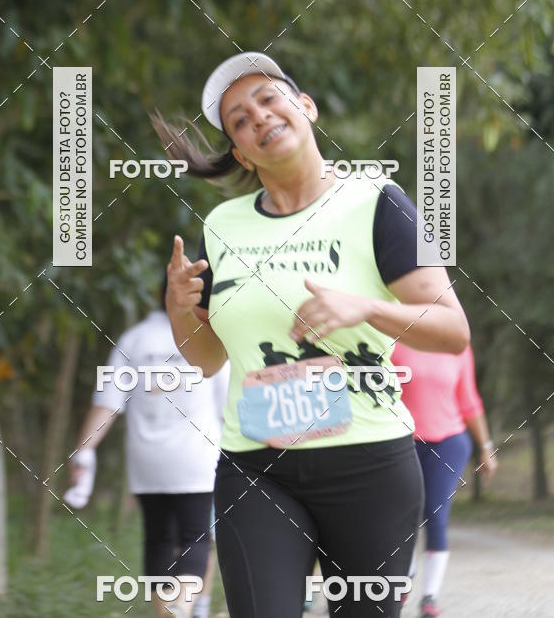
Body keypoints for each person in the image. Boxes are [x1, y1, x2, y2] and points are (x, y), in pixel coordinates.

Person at [153, 51, 471, 618]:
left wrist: (366, 308)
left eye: (268, 99)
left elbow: (452, 332)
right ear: (241, 154)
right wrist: (180, 310)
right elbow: (205, 360)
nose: (258, 118)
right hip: (256, 465)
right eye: (239, 121)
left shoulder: (380, 204)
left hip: (370, 464)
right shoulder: (222, 227)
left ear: (305, 107)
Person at [67, 282, 230, 618]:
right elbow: (228, 408)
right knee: (196, 538)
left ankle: (168, 611)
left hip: (146, 460)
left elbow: (107, 405)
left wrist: (83, 452)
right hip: (197, 458)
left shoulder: (134, 339)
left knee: (157, 539)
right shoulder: (208, 340)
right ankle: (182, 609)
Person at [392, 341, 498, 617]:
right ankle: (405, 577)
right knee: (404, 515)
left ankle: (430, 597)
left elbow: (469, 400)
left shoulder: (457, 345)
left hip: (449, 442)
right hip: (404, 440)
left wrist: (485, 447)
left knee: (436, 515)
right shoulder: (394, 340)